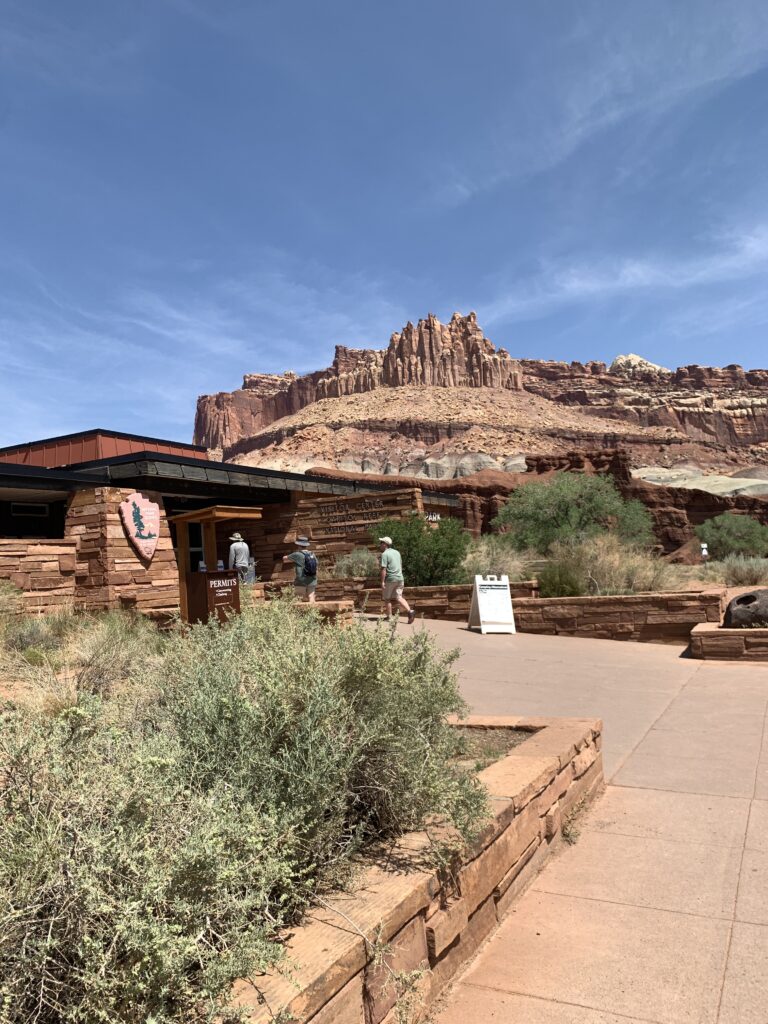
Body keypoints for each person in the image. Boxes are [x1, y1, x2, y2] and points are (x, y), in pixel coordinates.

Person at [379, 536, 415, 624]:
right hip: (400, 578)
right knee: (399, 597)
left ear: (385, 544)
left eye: (381, 543)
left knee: (387, 599)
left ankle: (389, 617)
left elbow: (383, 569)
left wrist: (382, 581)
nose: (380, 545)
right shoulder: (397, 552)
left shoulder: (384, 554)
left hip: (391, 579)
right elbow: (400, 565)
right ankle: (410, 611)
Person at [283, 536, 318, 602]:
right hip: (312, 578)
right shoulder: (312, 554)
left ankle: (300, 612)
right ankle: (313, 611)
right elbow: (316, 564)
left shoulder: (297, 554)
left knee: (299, 597)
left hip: (301, 579)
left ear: (298, 545)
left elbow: (284, 558)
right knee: (311, 595)